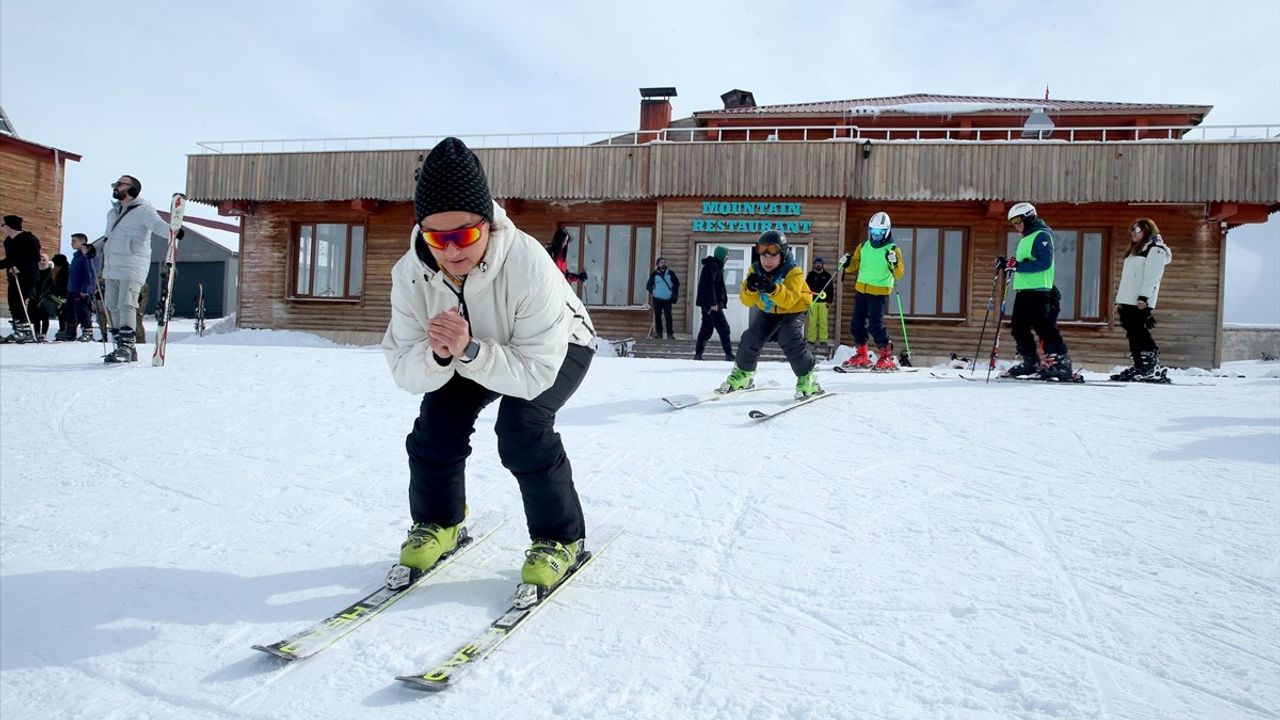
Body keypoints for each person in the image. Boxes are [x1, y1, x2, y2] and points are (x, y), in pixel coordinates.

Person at [382, 137, 597, 597]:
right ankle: (440, 524)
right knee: (435, 427)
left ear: (489, 224)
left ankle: (560, 539)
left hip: (558, 345)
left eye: (465, 235)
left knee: (522, 429)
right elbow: (404, 365)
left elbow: (536, 370)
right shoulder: (410, 275)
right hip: (466, 348)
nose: (452, 250)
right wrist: (441, 355)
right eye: (437, 237)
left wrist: (471, 352)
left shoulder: (529, 264)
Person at [717, 230, 820, 399]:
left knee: (789, 337)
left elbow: (789, 300)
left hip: (794, 308)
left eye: (772, 255)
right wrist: (750, 289)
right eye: (763, 255)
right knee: (752, 336)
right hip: (770, 310)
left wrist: (772, 288)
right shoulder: (754, 269)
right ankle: (744, 373)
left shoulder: (794, 272)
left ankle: (808, 375)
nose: (767, 260)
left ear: (783, 254)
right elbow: (747, 301)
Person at [94, 175, 180, 362]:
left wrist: (172, 231)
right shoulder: (113, 212)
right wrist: (94, 248)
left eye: (119, 184)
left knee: (127, 304)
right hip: (111, 267)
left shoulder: (143, 210)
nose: (115, 187)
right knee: (111, 306)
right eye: (114, 184)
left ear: (132, 189)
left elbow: (157, 225)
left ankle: (127, 346)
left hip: (132, 265)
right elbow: (108, 237)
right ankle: (121, 346)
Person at [996, 202, 1072, 380]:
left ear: (1029, 217)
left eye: (1018, 220)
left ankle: (1060, 361)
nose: (1016, 225)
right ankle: (1031, 361)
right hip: (1024, 290)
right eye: (1013, 222)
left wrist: (1018, 265)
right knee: (1018, 327)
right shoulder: (1026, 238)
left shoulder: (1041, 235)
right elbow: (1022, 264)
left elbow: (1043, 262)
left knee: (1044, 327)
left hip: (1040, 290)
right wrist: (1008, 264)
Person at [839, 212, 905, 371]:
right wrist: (846, 263)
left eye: (880, 232)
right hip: (861, 289)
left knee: (875, 325)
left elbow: (899, 274)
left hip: (879, 292)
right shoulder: (863, 247)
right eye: (873, 232)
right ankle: (862, 355)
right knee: (856, 324)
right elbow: (853, 266)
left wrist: (894, 262)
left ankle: (886, 356)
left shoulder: (892, 249)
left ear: (887, 231)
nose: (876, 235)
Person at [1111, 218, 1172, 381]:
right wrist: (1120, 301)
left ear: (1146, 231)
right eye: (1131, 230)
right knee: (1132, 332)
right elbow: (1128, 279)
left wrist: (1144, 297)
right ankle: (1139, 365)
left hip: (1140, 300)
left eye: (1136, 230)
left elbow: (1152, 276)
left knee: (1139, 330)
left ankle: (1149, 363)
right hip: (1128, 300)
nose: (1133, 233)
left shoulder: (1155, 250)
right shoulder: (1135, 251)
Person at [0, 215, 41, 343]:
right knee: (12, 302)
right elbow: (9, 260)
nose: (1, 228)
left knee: (20, 301)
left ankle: (26, 332)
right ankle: (19, 329)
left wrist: (20, 268)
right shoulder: (8, 241)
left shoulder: (29, 239)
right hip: (13, 276)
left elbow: (35, 258)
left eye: (2, 225)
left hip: (27, 276)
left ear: (9, 226)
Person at [693, 245, 734, 361]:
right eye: (726, 255)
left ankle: (698, 354)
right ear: (721, 255)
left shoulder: (715, 266)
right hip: (711, 304)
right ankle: (729, 354)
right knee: (724, 328)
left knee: (706, 328)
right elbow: (708, 285)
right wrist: (713, 302)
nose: (728, 258)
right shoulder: (712, 267)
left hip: (709, 303)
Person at [68, 234, 100, 342]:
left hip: (83, 290)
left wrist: (85, 289)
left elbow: (90, 273)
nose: (72, 243)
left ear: (82, 242)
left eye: (74, 241)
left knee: (83, 311)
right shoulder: (76, 256)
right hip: (73, 288)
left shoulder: (88, 256)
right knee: (71, 312)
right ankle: (70, 332)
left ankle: (88, 332)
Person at [645, 257, 679, 339]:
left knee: (668, 316)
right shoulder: (654, 274)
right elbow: (648, 285)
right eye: (661, 262)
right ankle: (659, 334)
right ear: (658, 264)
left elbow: (677, 284)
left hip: (667, 299)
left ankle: (670, 334)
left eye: (664, 262)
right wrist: (653, 291)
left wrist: (673, 293)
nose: (663, 263)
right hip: (657, 299)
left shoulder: (670, 273)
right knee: (657, 316)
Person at [804, 256, 834, 347]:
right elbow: (806, 288)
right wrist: (806, 300)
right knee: (812, 321)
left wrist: (830, 301)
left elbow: (831, 290)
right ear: (814, 265)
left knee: (823, 321)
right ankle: (811, 339)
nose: (818, 265)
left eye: (819, 263)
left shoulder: (827, 275)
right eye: (816, 263)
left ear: (822, 264)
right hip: (813, 302)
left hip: (824, 303)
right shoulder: (810, 275)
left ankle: (823, 339)